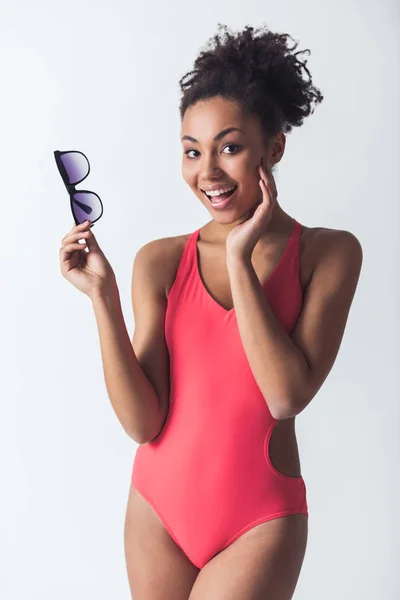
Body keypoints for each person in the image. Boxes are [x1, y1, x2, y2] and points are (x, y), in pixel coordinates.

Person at [59, 23, 363, 600]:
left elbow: (285, 395)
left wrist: (242, 260)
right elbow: (142, 423)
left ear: (274, 147)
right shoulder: (160, 261)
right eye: (192, 152)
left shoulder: (329, 252)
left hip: (259, 521)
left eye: (229, 147)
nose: (208, 173)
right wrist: (102, 297)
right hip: (156, 510)